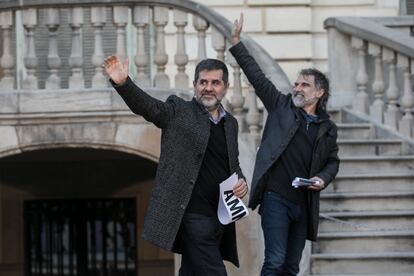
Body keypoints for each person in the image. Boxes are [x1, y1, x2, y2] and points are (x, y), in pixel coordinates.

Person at [103, 55, 248, 276]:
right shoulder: (178, 110)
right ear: (195, 85)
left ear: (225, 87)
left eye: (215, 83)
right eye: (203, 82)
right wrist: (124, 84)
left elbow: (233, 163)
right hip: (190, 215)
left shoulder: (231, 123)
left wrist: (242, 182)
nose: (208, 88)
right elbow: (150, 108)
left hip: (219, 217)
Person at [230, 14, 340, 276]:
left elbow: (333, 161)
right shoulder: (281, 106)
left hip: (303, 202)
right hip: (275, 198)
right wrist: (236, 43)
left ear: (319, 92)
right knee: (275, 261)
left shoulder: (327, 127)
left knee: (291, 267)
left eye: (305, 84)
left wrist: (322, 179)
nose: (298, 88)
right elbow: (257, 77)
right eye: (296, 83)